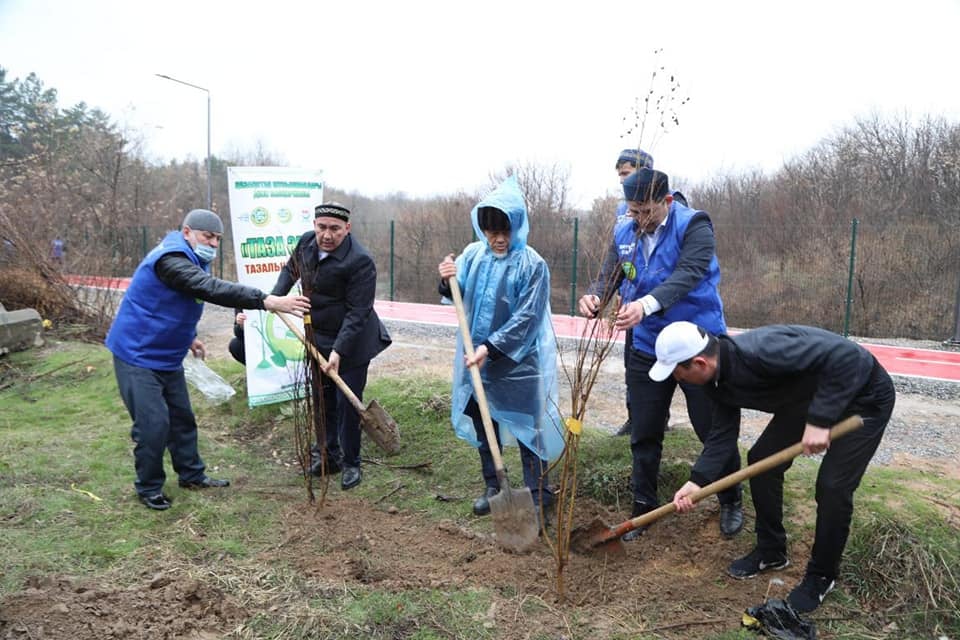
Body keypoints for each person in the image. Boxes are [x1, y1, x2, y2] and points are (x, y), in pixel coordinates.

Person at [657, 322, 895, 614]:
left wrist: (820, 419)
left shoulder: (762, 350)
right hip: (808, 397)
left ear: (699, 362)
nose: (679, 382)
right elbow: (721, 435)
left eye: (678, 375)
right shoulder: (716, 382)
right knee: (762, 461)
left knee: (833, 486)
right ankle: (772, 551)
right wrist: (697, 482)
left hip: (863, 395)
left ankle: (821, 576)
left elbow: (848, 358)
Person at [105, 209, 311, 511]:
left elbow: (169, 303)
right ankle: (149, 487)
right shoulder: (169, 259)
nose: (213, 244)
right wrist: (266, 300)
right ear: (187, 232)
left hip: (167, 355)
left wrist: (188, 337)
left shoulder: (192, 258)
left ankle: (191, 475)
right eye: (207, 236)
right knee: (153, 425)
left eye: (217, 239)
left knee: (182, 420)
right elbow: (208, 289)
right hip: (137, 355)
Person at [577, 167, 743, 540]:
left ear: (665, 201)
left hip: (696, 345)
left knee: (710, 427)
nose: (638, 220)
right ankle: (644, 508)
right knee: (645, 429)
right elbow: (610, 276)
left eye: (645, 211)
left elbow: (689, 274)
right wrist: (595, 297)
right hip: (647, 345)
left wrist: (647, 305)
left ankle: (731, 497)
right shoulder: (624, 231)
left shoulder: (694, 225)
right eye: (632, 211)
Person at [437, 175, 564, 529]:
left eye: (505, 230)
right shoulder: (472, 255)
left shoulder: (533, 265)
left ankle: (539, 496)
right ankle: (495, 488)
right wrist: (446, 277)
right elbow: (456, 293)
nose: (499, 238)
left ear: (518, 227)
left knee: (528, 431)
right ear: (483, 228)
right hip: (475, 361)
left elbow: (527, 319)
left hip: (518, 365)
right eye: (492, 230)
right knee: (484, 426)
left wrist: (490, 349)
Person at [271, 201, 391, 490]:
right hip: (317, 335)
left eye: (335, 229)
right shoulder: (306, 242)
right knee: (321, 399)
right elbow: (291, 270)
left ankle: (351, 463)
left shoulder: (360, 260)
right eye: (322, 227)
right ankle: (328, 455)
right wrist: (275, 298)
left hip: (353, 341)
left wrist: (338, 352)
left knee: (347, 402)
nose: (327, 235)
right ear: (314, 225)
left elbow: (358, 312)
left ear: (347, 229)